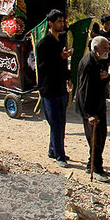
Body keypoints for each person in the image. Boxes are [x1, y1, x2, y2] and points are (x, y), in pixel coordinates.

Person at [37, 9, 72, 166]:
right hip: (49, 89)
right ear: (51, 24)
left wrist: (68, 78)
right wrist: (60, 57)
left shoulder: (61, 41)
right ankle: (60, 155)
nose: (61, 24)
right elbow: (44, 68)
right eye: (58, 22)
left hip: (60, 88)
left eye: (62, 21)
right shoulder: (43, 44)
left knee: (61, 122)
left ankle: (53, 149)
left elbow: (63, 65)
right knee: (55, 123)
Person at [75, 36, 110, 180]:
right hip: (90, 108)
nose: (108, 50)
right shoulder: (88, 63)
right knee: (95, 138)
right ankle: (95, 169)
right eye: (105, 48)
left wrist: (107, 77)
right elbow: (83, 90)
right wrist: (88, 114)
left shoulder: (99, 61)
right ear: (96, 49)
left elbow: (100, 83)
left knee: (100, 137)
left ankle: (94, 164)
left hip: (99, 105)